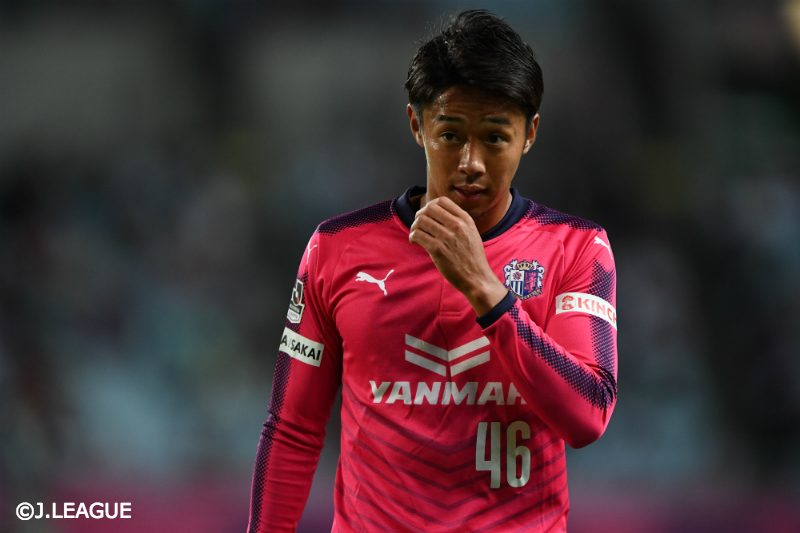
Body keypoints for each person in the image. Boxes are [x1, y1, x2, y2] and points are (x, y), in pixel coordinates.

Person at [248, 9, 618, 532]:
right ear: (416, 125)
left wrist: (486, 291)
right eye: (450, 135)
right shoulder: (336, 249)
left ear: (530, 134)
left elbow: (587, 415)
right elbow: (292, 429)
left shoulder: (576, 248)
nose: (471, 162)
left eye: (495, 137)